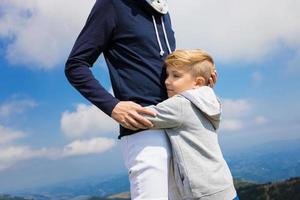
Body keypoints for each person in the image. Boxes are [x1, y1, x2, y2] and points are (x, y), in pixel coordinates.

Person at [65, 0, 216, 199]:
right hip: (144, 132)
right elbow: (76, 65)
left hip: (178, 129)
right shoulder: (111, 4)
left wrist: (198, 83)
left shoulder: (163, 11)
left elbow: (167, 70)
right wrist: (113, 106)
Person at [144, 49, 239, 200]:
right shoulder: (210, 99)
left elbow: (139, 117)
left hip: (202, 194)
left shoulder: (180, 105)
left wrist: (113, 107)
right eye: (167, 75)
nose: (167, 81)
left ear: (198, 82)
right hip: (224, 188)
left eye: (176, 76)